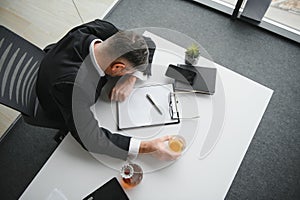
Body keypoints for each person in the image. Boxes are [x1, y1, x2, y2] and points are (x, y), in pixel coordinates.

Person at [36, 19, 180, 161]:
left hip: (56, 60)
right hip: (57, 103)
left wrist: (131, 78)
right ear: (117, 67)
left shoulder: (102, 30)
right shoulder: (73, 86)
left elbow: (148, 43)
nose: (128, 74)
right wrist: (147, 147)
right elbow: (90, 138)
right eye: (128, 71)